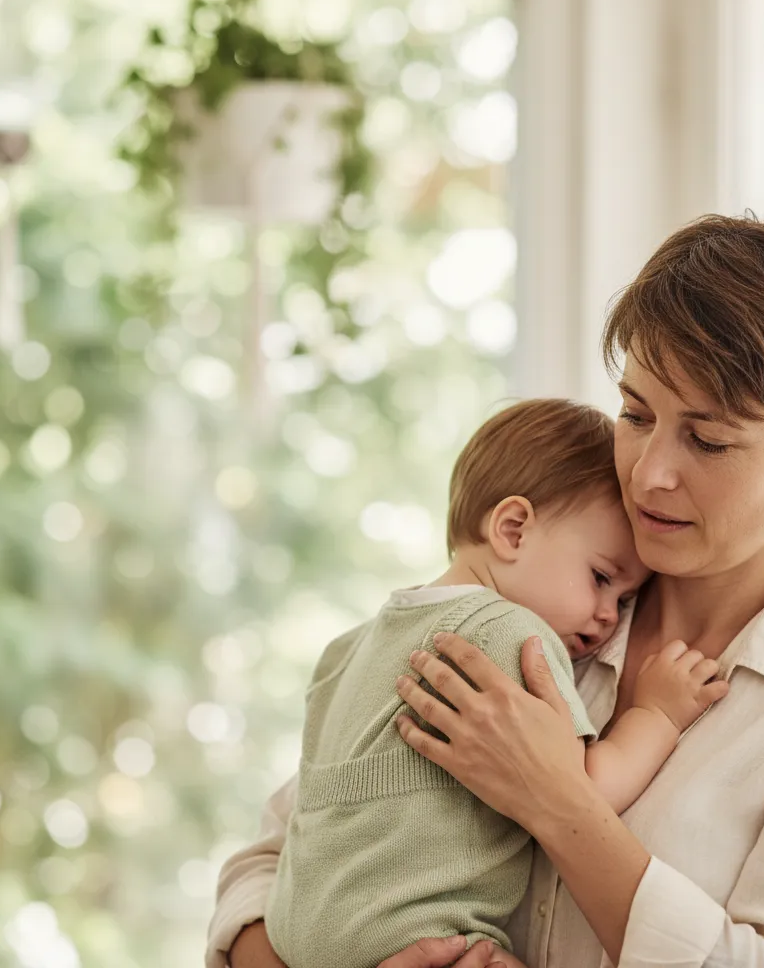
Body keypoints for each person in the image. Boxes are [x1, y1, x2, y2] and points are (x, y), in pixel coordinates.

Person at [206, 213, 764, 968]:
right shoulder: (541, 597)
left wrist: (556, 802)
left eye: (707, 439)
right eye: (635, 414)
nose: (647, 472)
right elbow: (278, 854)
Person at [265, 399, 726, 968]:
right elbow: (582, 791)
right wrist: (658, 714)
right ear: (512, 530)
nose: (609, 615)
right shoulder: (511, 635)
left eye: (625, 599)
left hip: (296, 935)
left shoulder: (349, 646)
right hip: (423, 941)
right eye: (602, 578)